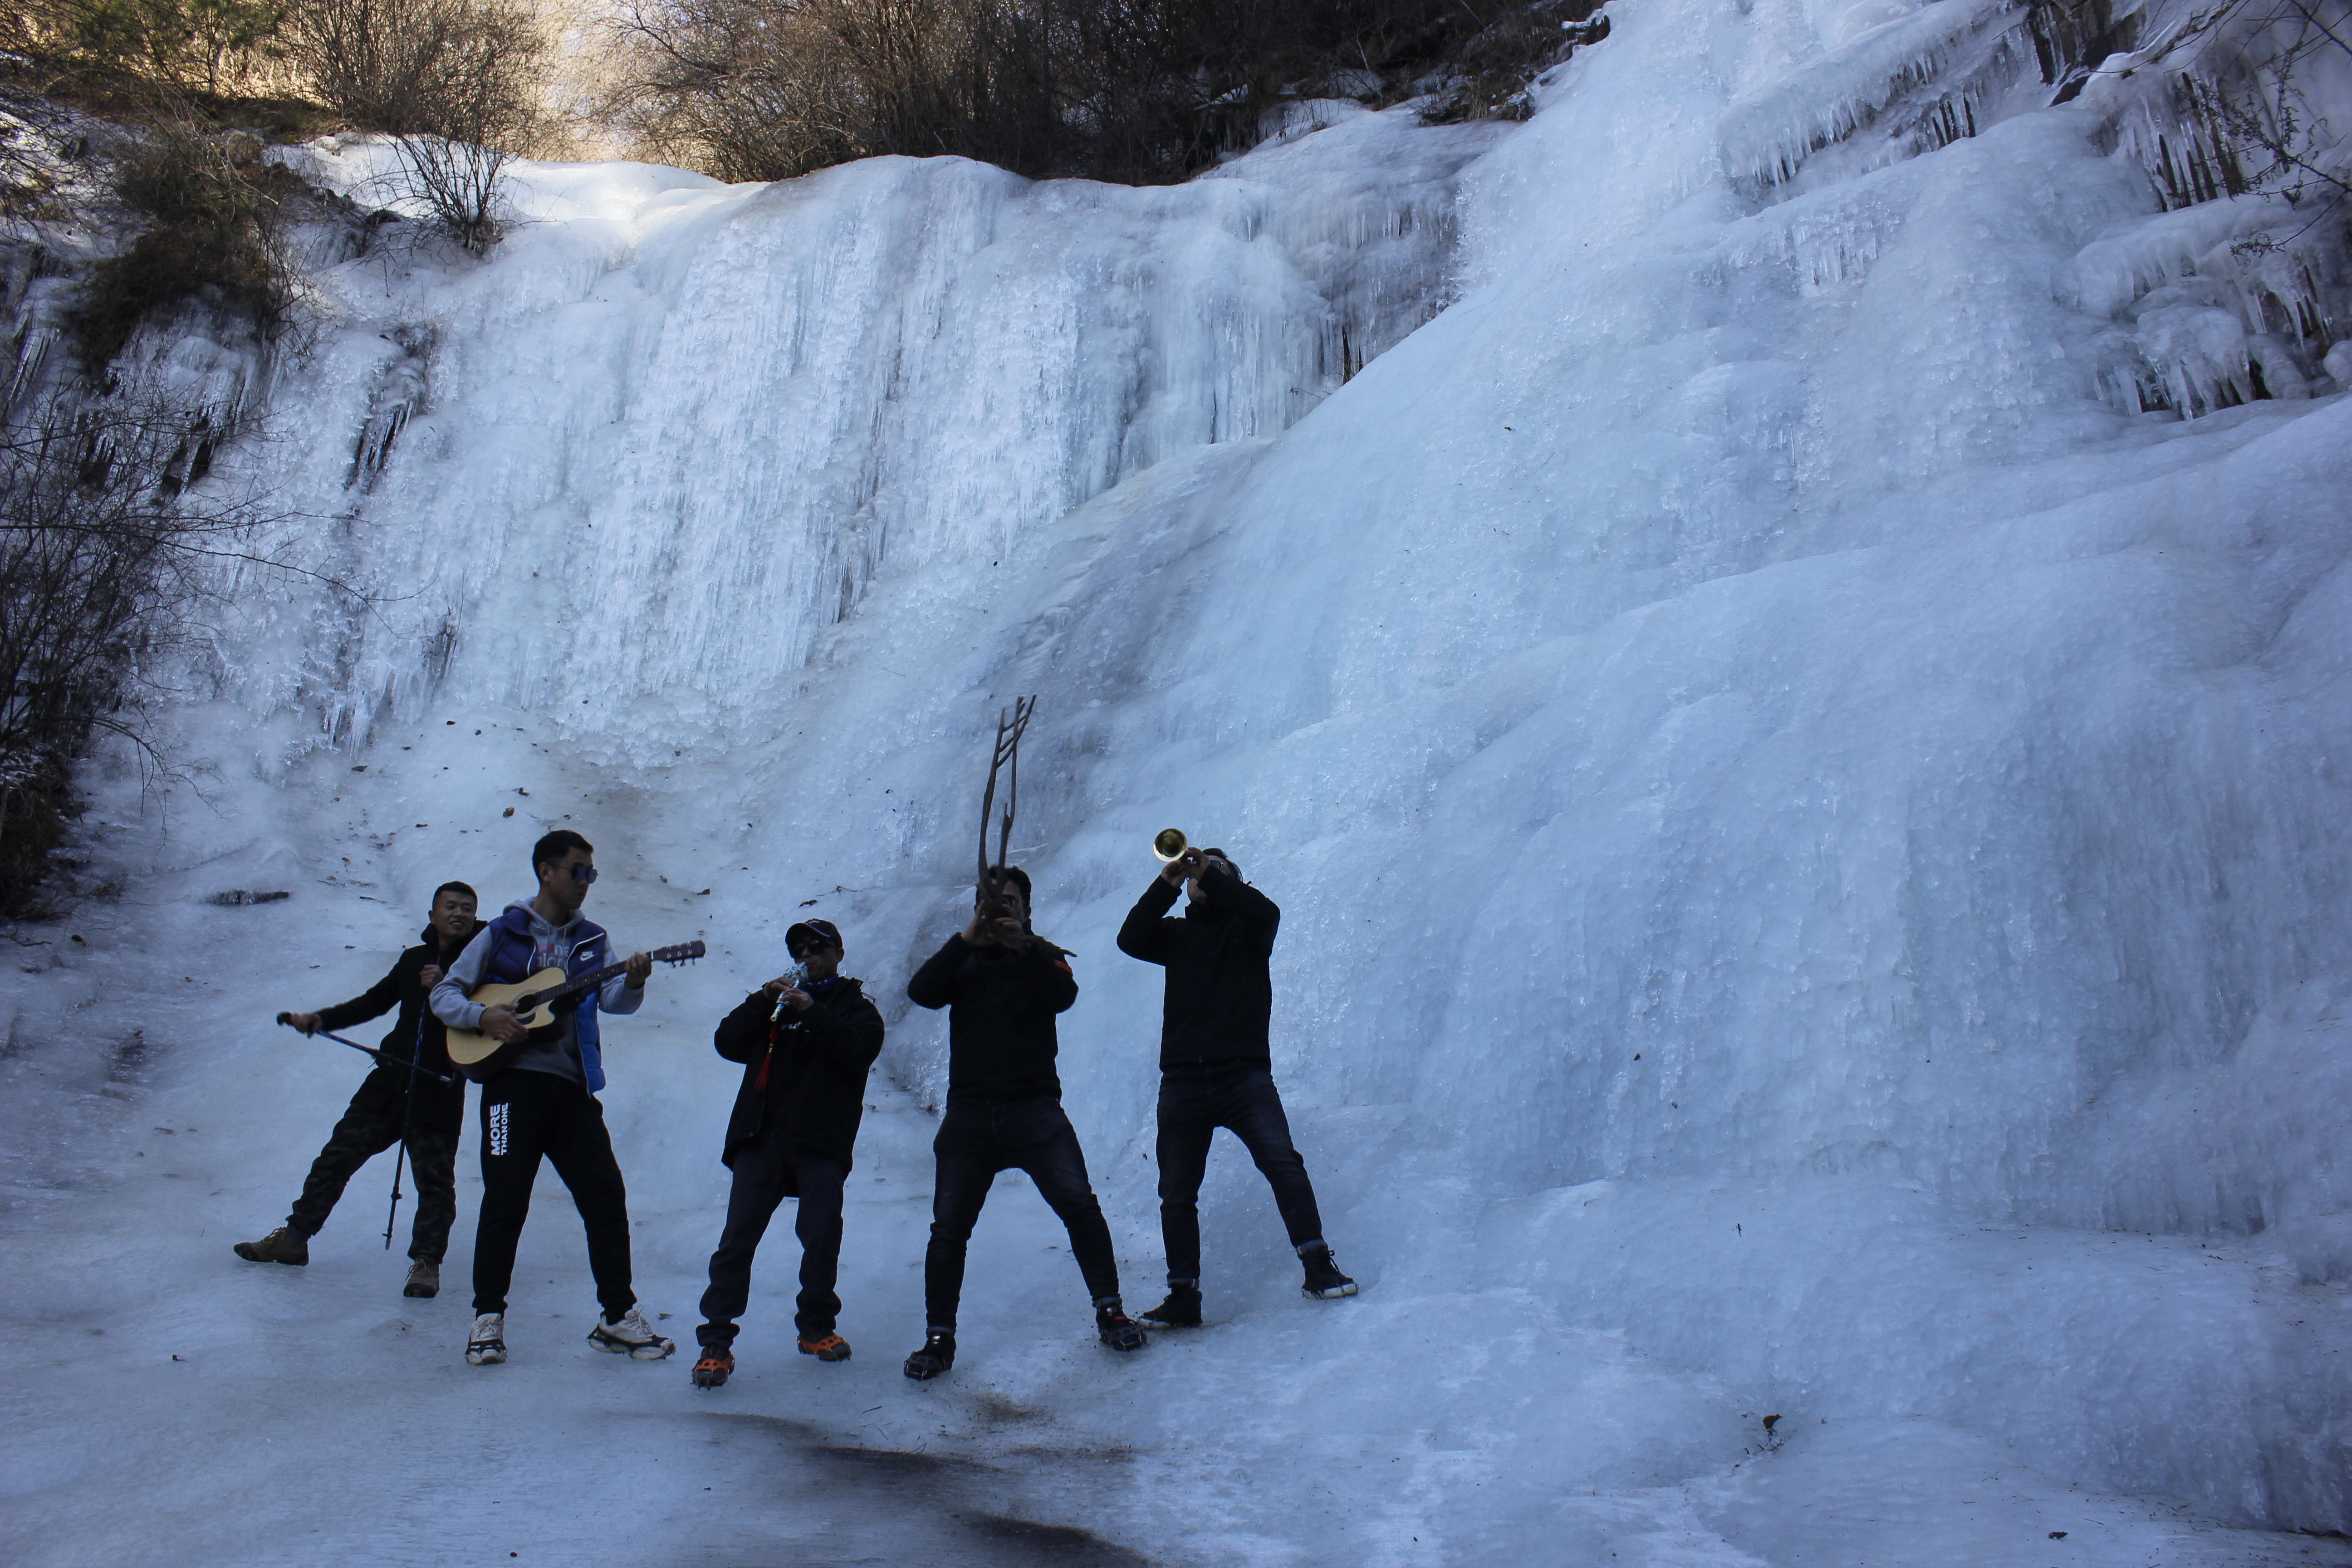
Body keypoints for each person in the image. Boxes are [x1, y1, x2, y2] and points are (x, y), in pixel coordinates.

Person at [430, 829, 672, 1367]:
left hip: (571, 1088)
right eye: (576, 871)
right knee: (505, 1199)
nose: (585, 882)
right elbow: (446, 994)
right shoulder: (501, 931)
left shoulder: (592, 942)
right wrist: (486, 1015)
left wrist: (633, 982)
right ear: (546, 871)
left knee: (605, 1197)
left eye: (591, 874)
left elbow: (615, 1001)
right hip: (510, 1086)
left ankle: (616, 1316)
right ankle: (487, 1320)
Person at [900, 867, 1146, 1379]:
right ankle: (938, 1339)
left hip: (1033, 1109)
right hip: (969, 1114)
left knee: (1080, 1207)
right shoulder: (962, 958)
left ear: (1027, 909)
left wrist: (1023, 946)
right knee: (948, 1231)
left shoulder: (1044, 954)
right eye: (990, 902)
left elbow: (1063, 996)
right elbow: (922, 991)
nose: (1001, 909)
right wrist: (967, 938)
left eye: (1010, 901)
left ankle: (1110, 1311)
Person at [1116, 844, 1354, 1328]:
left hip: (1242, 1075)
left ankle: (1317, 1266)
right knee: (1177, 1192)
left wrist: (1212, 871)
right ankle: (1183, 1296)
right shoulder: (1176, 936)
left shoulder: (1249, 930)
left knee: (1283, 1164)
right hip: (1183, 1078)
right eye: (1199, 871)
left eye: (1216, 871)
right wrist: (1168, 883)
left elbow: (1266, 909)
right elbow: (1130, 937)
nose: (1202, 874)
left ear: (1233, 882)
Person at [235, 883, 485, 1297]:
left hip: (437, 1088)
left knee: (435, 1182)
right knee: (336, 1158)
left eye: (468, 909)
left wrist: (448, 985)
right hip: (388, 1083)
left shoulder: (483, 965)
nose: (459, 914)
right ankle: (294, 1239)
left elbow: (488, 1014)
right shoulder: (412, 960)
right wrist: (321, 1019)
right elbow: (373, 1003)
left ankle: (426, 1264)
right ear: (432, 914)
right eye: (451, 907)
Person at [690, 917, 885, 1390]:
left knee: (820, 1235)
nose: (807, 957)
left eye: (817, 948)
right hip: (763, 1138)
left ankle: (816, 1327)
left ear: (839, 953)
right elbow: (727, 1042)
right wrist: (762, 1001)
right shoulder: (773, 1007)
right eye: (799, 949)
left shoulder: (858, 1009)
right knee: (737, 1241)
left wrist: (813, 1010)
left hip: (820, 1142)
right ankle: (716, 1343)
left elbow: (857, 1050)